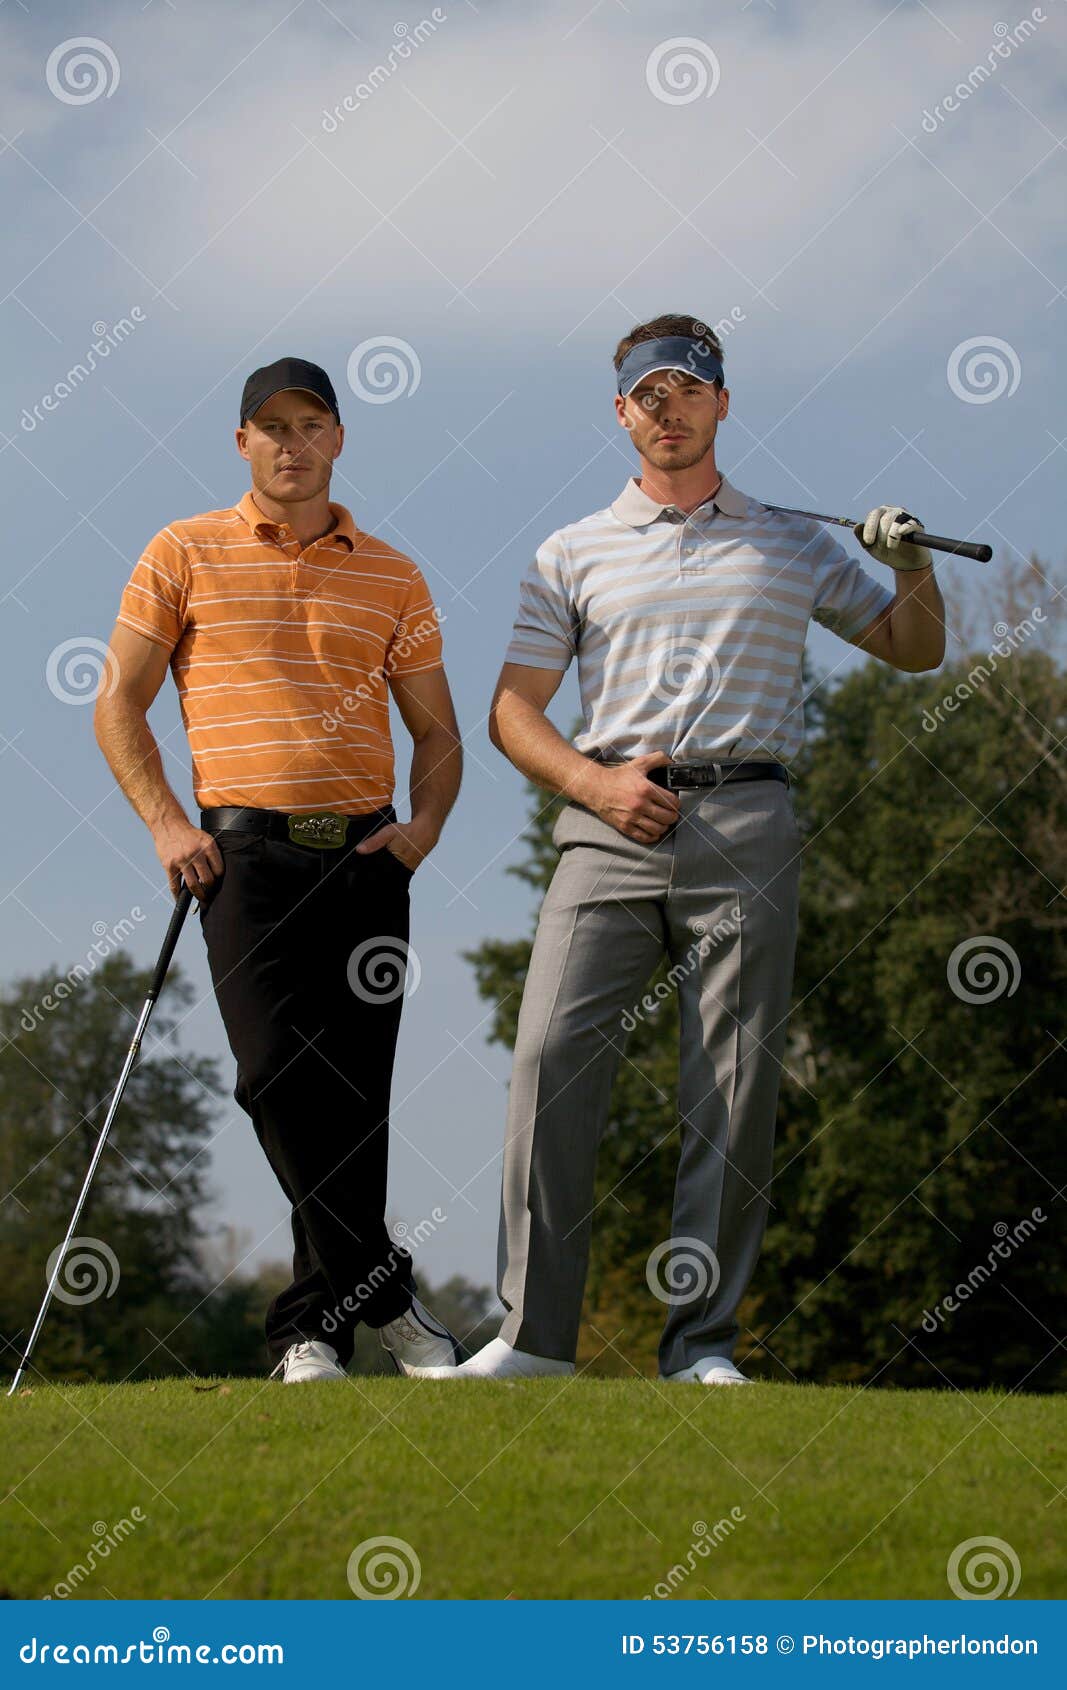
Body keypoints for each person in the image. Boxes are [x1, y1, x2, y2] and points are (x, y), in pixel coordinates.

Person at [431, 312, 945, 1385]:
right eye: (648, 396)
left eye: (688, 391)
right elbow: (513, 710)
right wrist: (592, 783)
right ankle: (532, 1338)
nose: (669, 411)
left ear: (721, 402)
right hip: (607, 823)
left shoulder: (791, 539)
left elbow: (911, 650)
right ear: (621, 414)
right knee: (548, 1061)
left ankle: (699, 1345)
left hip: (747, 821)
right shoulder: (567, 550)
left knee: (729, 1081)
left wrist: (909, 567)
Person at [95, 356, 463, 1383]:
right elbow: (116, 702)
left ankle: (311, 1333)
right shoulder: (181, 550)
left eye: (310, 425)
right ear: (242, 442)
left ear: (338, 440)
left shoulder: (394, 572)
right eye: (270, 427)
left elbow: (436, 730)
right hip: (240, 858)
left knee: (353, 1097)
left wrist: (425, 826)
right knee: (274, 1079)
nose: (290, 443)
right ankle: (385, 1298)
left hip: (364, 856)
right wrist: (168, 825)